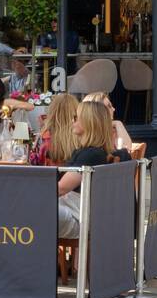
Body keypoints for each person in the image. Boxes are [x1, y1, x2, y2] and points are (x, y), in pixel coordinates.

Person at [56, 100, 131, 237]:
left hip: (78, 219)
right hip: (81, 215)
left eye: (76, 118)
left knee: (28, 209)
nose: (72, 121)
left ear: (89, 122)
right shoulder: (96, 152)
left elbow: (61, 188)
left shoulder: (90, 154)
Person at [30, 93, 79, 166]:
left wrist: (33, 148)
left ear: (53, 112)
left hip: (48, 176)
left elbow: (35, 162)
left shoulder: (46, 136)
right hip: (74, 176)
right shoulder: (81, 137)